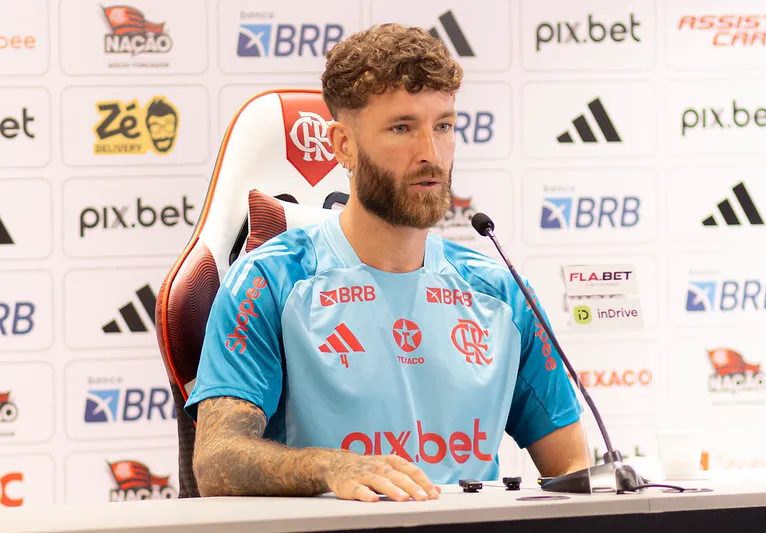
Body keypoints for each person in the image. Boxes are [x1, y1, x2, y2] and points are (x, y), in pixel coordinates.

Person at [184, 22, 590, 503]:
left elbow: (572, 467)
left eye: (443, 126)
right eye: (402, 128)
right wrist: (330, 467)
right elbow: (216, 461)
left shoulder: (501, 293)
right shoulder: (269, 281)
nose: (431, 155)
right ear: (342, 145)